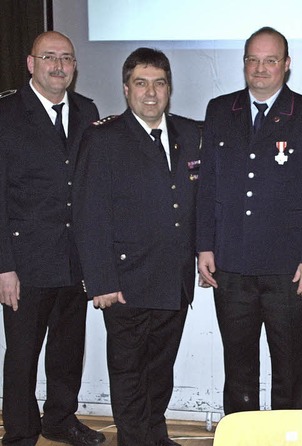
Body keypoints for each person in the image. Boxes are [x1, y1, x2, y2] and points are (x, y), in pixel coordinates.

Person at [196, 27, 302, 414]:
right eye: (253, 60)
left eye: (270, 60)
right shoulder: (220, 110)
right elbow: (207, 184)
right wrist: (204, 245)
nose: (260, 69)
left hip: (289, 270)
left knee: (290, 370)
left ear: (286, 65)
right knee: (238, 368)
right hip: (231, 266)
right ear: (243, 63)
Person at [73, 48, 201, 446]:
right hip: (125, 282)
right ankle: (134, 439)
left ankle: (154, 434)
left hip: (173, 278)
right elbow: (89, 214)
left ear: (169, 89)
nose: (151, 93)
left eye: (159, 83)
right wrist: (101, 281)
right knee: (129, 372)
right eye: (141, 83)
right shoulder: (103, 138)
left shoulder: (190, 134)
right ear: (126, 89)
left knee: (161, 369)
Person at [0, 31, 104, 446]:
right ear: (30, 63)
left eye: (67, 58)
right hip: (24, 262)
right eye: (49, 57)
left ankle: (60, 420)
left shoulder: (87, 110)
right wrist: (3, 265)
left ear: (75, 66)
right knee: (23, 355)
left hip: (74, 259)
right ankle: (21, 433)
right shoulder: (6, 113)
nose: (59, 65)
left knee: (67, 350)